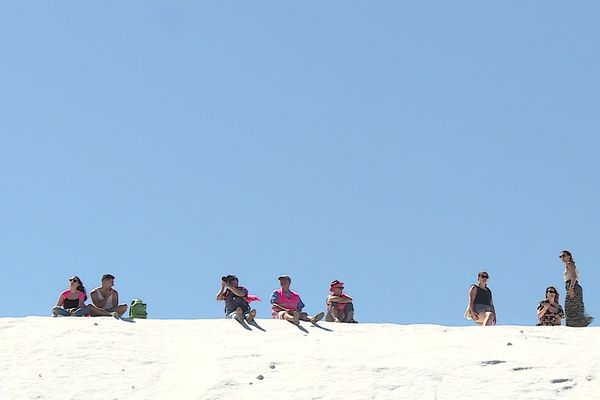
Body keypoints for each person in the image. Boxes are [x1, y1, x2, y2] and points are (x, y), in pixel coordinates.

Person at [560, 250, 593, 327]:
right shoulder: (570, 264)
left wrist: (571, 288)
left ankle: (577, 323)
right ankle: (581, 322)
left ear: (569, 256)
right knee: (575, 305)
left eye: (564, 256)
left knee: (569, 306)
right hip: (573, 286)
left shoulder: (569, 264)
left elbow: (573, 276)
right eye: (560, 256)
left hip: (572, 286)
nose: (562, 258)